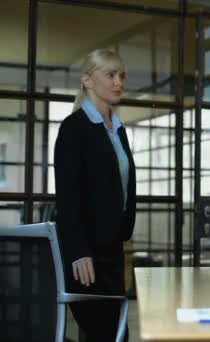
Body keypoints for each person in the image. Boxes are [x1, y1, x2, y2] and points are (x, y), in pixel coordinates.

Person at [54, 49, 136, 341]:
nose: (118, 82)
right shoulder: (74, 128)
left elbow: (122, 186)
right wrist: (78, 251)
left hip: (111, 249)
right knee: (108, 331)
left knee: (113, 331)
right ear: (87, 79)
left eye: (121, 76)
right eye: (110, 75)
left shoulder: (118, 130)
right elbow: (67, 196)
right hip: (85, 254)